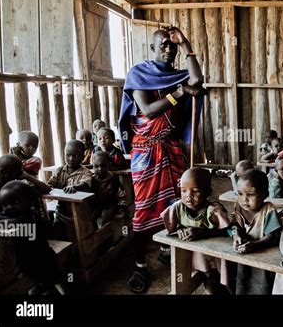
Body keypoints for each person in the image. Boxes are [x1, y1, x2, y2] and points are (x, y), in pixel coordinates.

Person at [118, 26, 204, 292]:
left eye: (173, 46)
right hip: (145, 152)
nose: (168, 50)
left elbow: (197, 79)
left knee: (177, 203)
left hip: (171, 148)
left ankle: (169, 247)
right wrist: (179, 93)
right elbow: (148, 110)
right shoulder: (139, 74)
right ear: (153, 48)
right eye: (163, 45)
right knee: (144, 211)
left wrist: (187, 42)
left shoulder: (177, 75)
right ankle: (141, 266)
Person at [160, 168, 231, 294]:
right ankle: (207, 278)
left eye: (195, 191)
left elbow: (227, 231)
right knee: (200, 277)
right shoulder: (177, 207)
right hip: (192, 255)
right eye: (184, 190)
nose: (188, 196)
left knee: (224, 283)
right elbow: (169, 228)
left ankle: (215, 281)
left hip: (214, 256)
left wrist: (202, 232)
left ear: (208, 192)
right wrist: (180, 229)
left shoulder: (213, 211)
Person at [0, 180, 64, 294]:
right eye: (4, 204)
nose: (8, 208)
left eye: (15, 202)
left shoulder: (31, 218)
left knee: (47, 282)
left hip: (39, 261)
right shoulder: (18, 213)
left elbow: (13, 223)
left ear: (30, 201)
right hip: (32, 258)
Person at [230, 169, 282, 294]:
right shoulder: (239, 206)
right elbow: (235, 226)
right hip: (245, 252)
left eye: (251, 195)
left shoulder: (268, 209)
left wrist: (255, 245)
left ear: (264, 194)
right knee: (243, 281)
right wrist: (236, 236)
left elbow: (271, 236)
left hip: (263, 253)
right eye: (240, 194)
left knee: (261, 286)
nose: (244, 199)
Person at [47, 140, 92, 241]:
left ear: (82, 156)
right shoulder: (59, 170)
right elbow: (50, 184)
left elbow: (85, 183)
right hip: (61, 209)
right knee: (58, 231)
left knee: (77, 235)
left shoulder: (85, 172)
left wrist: (75, 187)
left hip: (79, 210)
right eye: (68, 155)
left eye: (75, 156)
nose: (71, 159)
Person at [91, 151, 128, 228]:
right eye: (96, 166)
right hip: (96, 205)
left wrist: (123, 207)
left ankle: (106, 237)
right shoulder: (91, 180)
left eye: (103, 166)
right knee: (91, 216)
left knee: (106, 216)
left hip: (110, 205)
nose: (100, 169)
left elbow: (121, 195)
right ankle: (94, 236)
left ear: (108, 165)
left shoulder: (113, 179)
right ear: (93, 166)